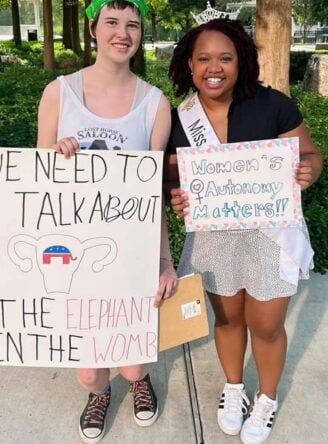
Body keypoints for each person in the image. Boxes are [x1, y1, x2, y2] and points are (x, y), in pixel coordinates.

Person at [166, 19, 322, 444]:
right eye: (203, 58)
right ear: (189, 64)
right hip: (215, 236)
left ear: (241, 62)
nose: (214, 67)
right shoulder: (180, 117)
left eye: (225, 57)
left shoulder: (272, 104)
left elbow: (309, 151)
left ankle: (266, 398)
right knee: (228, 318)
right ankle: (234, 389)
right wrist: (176, 197)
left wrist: (308, 170)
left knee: (267, 325)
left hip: (270, 233)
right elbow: (171, 179)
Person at [37, 1, 177, 442]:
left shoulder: (155, 104)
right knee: (89, 375)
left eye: (133, 25)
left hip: (129, 256)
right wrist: (58, 157)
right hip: (74, 255)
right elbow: (35, 180)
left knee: (133, 363)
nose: (123, 33)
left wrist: (165, 261)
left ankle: (139, 382)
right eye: (112, 23)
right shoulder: (59, 93)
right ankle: (100, 395)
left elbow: (152, 193)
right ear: (93, 27)